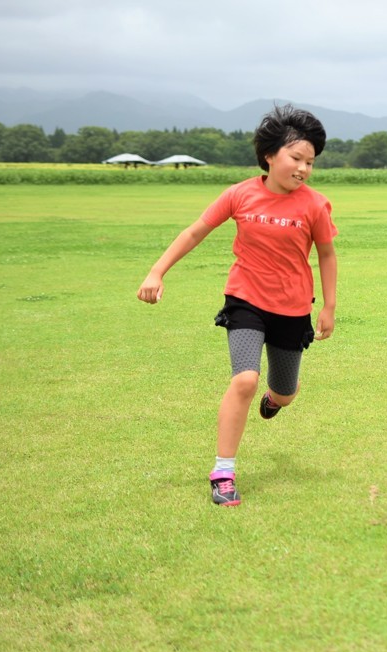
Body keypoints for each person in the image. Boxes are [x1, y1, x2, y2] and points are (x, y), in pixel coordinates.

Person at [137, 104, 338, 506]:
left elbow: (327, 254)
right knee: (243, 380)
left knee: (285, 393)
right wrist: (156, 272)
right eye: (296, 158)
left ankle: (274, 400)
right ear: (269, 155)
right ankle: (223, 472)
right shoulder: (240, 194)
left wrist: (329, 307)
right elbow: (195, 232)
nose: (303, 168)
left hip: (293, 306)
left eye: (310, 162)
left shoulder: (314, 205)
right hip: (245, 299)